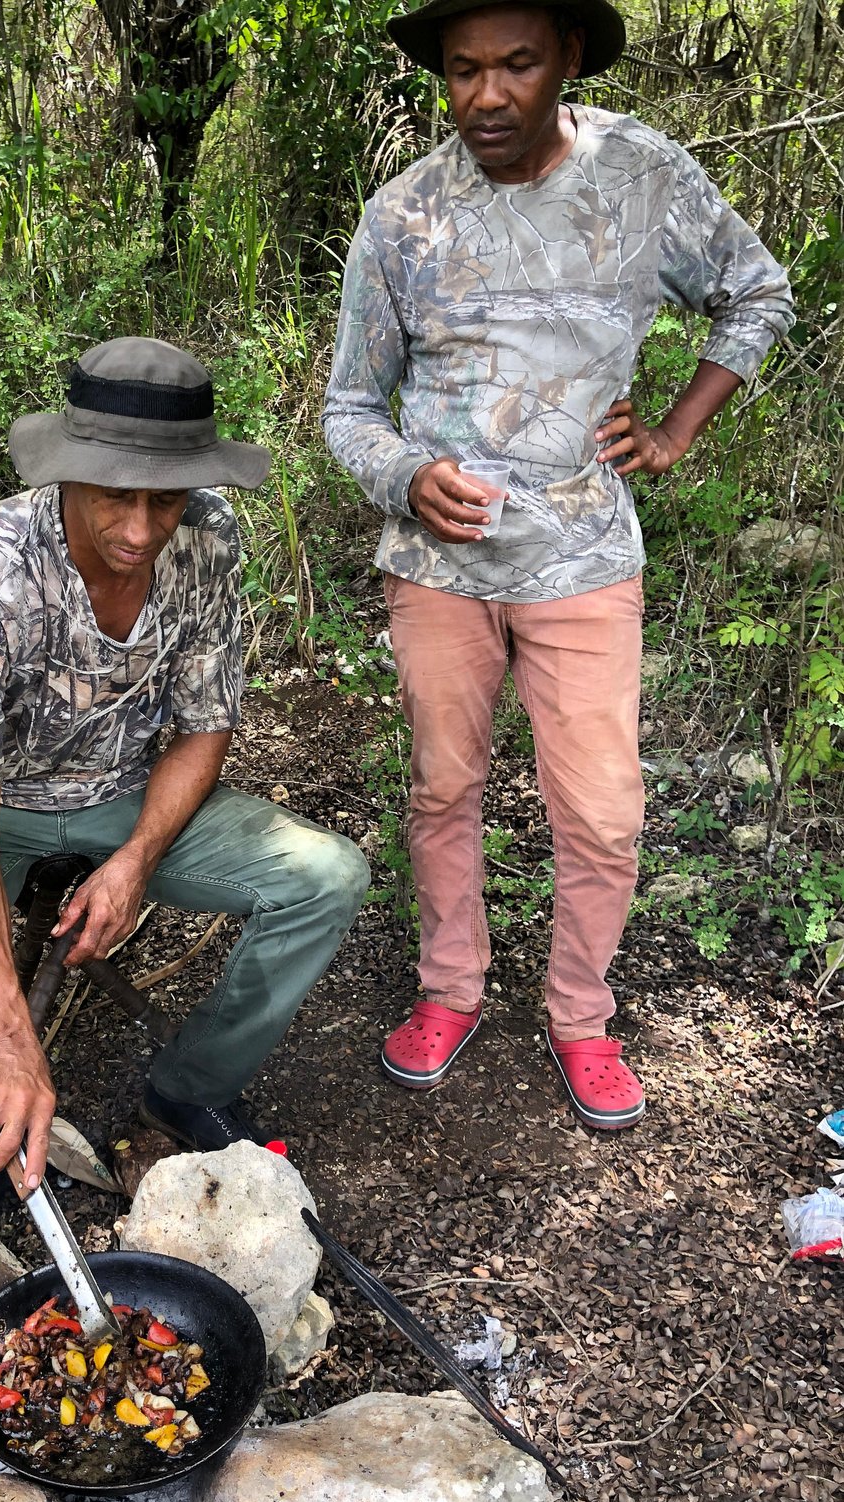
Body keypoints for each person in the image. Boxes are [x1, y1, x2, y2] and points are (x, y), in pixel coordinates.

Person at [323, 0, 793, 1129]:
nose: (486, 95)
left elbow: (756, 292)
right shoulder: (403, 213)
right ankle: (449, 988)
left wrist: (674, 429)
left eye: (516, 65)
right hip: (439, 567)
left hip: (583, 557)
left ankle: (581, 1014)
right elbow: (349, 407)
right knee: (443, 787)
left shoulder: (642, 176)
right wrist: (406, 476)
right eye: (462, 70)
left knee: (603, 808)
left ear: (568, 58)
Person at [0, 337, 369, 1225]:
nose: (143, 529)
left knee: (328, 877)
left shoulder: (209, 538)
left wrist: (136, 859)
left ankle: (190, 1086)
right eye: (118, 494)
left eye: (167, 498)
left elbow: (204, 727)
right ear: (69, 472)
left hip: (128, 791)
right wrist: (10, 1037)